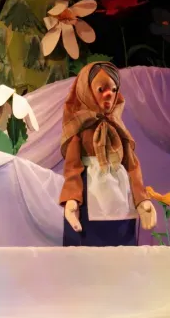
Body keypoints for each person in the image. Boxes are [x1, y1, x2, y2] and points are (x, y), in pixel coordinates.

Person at [59, 61, 156, 246]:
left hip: (120, 196)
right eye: (101, 89)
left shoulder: (118, 128)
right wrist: (71, 199)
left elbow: (132, 165)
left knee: (121, 248)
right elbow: (72, 169)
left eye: (113, 89)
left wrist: (142, 200)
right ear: (86, 91)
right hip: (89, 198)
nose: (109, 94)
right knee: (89, 249)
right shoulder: (80, 129)